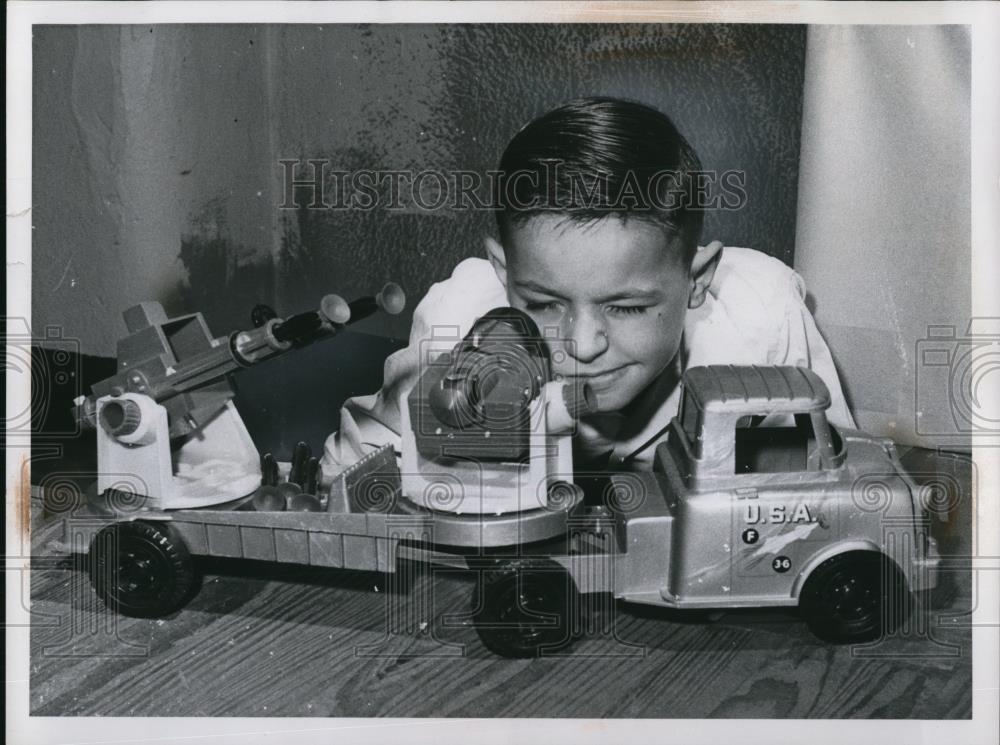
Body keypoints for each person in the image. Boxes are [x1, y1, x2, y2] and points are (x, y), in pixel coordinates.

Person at [321, 96, 854, 476]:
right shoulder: (463, 320)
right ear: (504, 276)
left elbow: (840, 473)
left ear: (697, 279)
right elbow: (353, 473)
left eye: (625, 308)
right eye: (545, 304)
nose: (584, 342)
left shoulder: (759, 318)